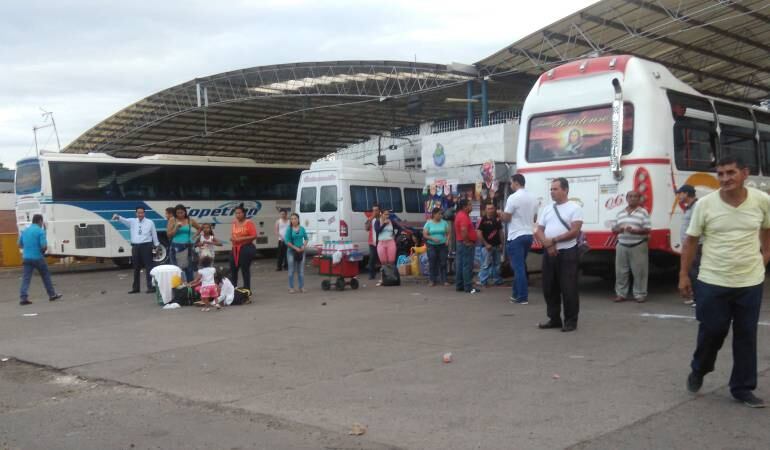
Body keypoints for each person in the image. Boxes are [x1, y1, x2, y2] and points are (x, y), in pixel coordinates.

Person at [680, 156, 770, 408]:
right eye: (720, 174)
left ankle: (742, 388)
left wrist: (766, 253)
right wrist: (684, 275)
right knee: (713, 331)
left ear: (745, 173)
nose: (725, 179)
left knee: (746, 335)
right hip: (712, 280)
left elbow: (767, 227)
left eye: (730, 173)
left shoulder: (761, 201)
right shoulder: (706, 205)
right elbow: (691, 241)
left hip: (749, 281)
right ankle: (700, 368)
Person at [534, 178, 583, 332]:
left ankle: (570, 321)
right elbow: (538, 230)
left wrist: (553, 240)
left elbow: (575, 231)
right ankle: (554, 319)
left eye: (555, 189)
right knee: (549, 287)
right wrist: (547, 244)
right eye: (551, 189)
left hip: (568, 252)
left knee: (568, 288)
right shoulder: (548, 209)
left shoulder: (574, 208)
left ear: (565, 190)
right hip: (550, 253)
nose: (552, 192)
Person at [502, 173, 537, 305]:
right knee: (520, 265)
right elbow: (534, 218)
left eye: (511, 183)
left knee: (518, 268)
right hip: (528, 234)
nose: (511, 185)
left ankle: (522, 296)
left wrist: (501, 214)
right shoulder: (533, 197)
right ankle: (515, 294)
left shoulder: (513, 197)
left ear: (516, 182)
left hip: (516, 235)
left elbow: (507, 218)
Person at [611, 191, 651, 303]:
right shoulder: (620, 213)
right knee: (620, 272)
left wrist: (635, 231)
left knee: (640, 272)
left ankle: (640, 294)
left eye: (635, 196)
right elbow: (613, 229)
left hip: (638, 245)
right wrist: (618, 230)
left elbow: (647, 229)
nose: (633, 198)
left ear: (639, 199)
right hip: (621, 245)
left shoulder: (643, 212)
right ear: (627, 199)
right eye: (630, 196)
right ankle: (621, 294)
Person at [112, 207, 160, 294]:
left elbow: (154, 234)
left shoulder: (150, 222)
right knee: (136, 267)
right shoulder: (132, 221)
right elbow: (123, 220)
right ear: (136, 213)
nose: (140, 214)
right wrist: (117, 217)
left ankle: (151, 287)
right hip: (135, 247)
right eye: (138, 213)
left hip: (147, 246)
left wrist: (156, 245)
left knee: (149, 267)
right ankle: (136, 288)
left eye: (142, 213)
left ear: (144, 213)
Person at [18, 214, 62, 305]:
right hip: (37, 257)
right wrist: (42, 252)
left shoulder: (25, 230)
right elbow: (43, 246)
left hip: (26, 257)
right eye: (42, 222)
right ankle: (52, 295)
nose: (42, 224)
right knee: (45, 275)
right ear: (40, 221)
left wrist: (28, 248)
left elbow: (19, 244)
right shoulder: (40, 231)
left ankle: (23, 298)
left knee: (26, 278)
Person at [677, 184, 699, 307]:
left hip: (695, 246)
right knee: (691, 272)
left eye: (680, 193)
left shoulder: (697, 207)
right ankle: (695, 296)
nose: (678, 196)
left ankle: (699, 299)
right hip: (689, 246)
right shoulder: (689, 207)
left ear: (686, 193)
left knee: (696, 273)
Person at [167, 204, 200, 282]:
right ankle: (179, 287)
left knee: (189, 267)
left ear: (185, 212)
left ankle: (189, 287)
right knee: (177, 268)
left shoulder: (190, 220)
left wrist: (194, 237)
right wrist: (176, 228)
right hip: (176, 246)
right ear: (175, 213)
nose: (180, 215)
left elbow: (200, 228)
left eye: (182, 212)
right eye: (178, 213)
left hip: (188, 246)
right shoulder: (172, 220)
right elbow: (169, 235)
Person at [454, 198, 480, 294]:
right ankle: (468, 286)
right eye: (469, 205)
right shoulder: (463, 216)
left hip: (461, 242)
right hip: (465, 243)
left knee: (461, 265)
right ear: (465, 207)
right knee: (467, 265)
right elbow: (464, 230)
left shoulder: (460, 215)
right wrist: (467, 241)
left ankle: (460, 285)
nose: (471, 206)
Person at [230, 204, 258, 289]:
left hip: (246, 248)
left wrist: (241, 239)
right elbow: (233, 234)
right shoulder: (234, 223)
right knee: (233, 269)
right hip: (235, 248)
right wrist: (233, 238)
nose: (237, 215)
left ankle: (247, 289)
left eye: (239, 213)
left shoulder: (248, 223)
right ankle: (233, 288)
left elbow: (254, 236)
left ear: (243, 213)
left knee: (244, 269)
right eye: (236, 213)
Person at [477, 202, 504, 287]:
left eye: (492, 208)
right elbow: (479, 233)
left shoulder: (497, 219)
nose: (490, 210)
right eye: (488, 209)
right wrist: (486, 244)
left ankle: (497, 280)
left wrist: (501, 244)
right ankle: (483, 281)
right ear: (485, 210)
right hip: (487, 247)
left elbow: (500, 232)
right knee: (485, 265)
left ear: (494, 209)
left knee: (497, 264)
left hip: (496, 246)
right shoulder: (482, 220)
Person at [374, 208, 402, 286]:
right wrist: (384, 224)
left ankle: (392, 278)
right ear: (381, 214)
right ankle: (383, 279)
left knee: (391, 261)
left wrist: (395, 236)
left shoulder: (392, 222)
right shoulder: (377, 221)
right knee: (383, 262)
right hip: (381, 243)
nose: (387, 216)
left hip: (390, 242)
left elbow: (400, 228)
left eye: (388, 214)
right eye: (385, 214)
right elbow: (377, 230)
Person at [423, 207, 450, 286]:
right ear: (434, 214)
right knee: (432, 262)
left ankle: (444, 280)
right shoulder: (429, 223)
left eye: (441, 214)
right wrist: (432, 238)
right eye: (439, 214)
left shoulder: (444, 223)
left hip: (442, 245)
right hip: (431, 245)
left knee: (443, 262)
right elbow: (425, 234)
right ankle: (432, 280)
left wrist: (447, 240)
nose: (441, 215)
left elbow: (448, 233)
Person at [285, 212, 308, 293]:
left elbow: (306, 238)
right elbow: (287, 241)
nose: (293, 220)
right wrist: (295, 248)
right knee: (291, 270)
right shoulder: (289, 229)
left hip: (301, 251)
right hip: (291, 251)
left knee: (301, 270)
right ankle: (291, 287)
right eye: (292, 219)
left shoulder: (302, 229)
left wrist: (303, 246)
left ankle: (301, 287)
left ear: (298, 220)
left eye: (295, 218)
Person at [365, 203, 381, 280]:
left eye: (376, 210)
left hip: (380, 241)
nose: (374, 212)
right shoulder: (371, 219)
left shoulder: (382, 218)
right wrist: (370, 219)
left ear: (379, 211)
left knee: (381, 258)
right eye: (373, 210)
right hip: (372, 242)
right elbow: (366, 228)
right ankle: (371, 274)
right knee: (372, 258)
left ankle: (385, 272)